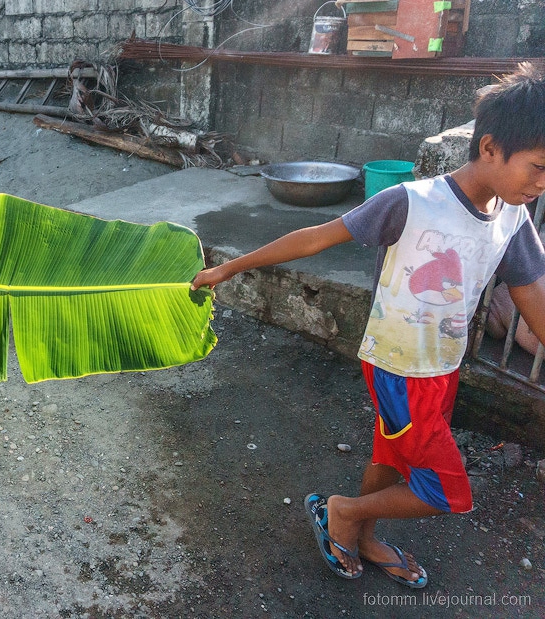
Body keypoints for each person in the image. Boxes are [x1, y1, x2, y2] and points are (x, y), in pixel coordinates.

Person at [191, 62, 545, 587]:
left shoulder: (511, 215)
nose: (542, 183)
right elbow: (316, 237)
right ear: (490, 148)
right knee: (449, 491)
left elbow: (532, 292)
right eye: (537, 166)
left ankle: (365, 533)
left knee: (393, 452)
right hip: (398, 367)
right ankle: (345, 513)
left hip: (442, 366)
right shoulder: (412, 202)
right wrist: (229, 267)